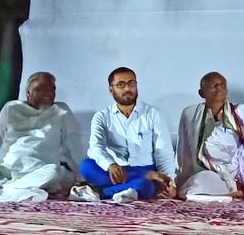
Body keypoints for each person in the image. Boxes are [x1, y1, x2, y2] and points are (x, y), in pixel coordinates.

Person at [0, 72, 83, 202]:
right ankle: (11, 187)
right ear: (28, 93)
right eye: (40, 89)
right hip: (4, 170)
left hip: (39, 170)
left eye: (51, 89)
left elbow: (72, 145)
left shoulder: (61, 111)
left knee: (54, 172)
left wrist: (82, 177)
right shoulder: (11, 108)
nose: (47, 93)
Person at [71, 67, 178, 202]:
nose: (127, 88)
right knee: (86, 166)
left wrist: (169, 183)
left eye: (131, 83)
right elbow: (96, 148)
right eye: (121, 85)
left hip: (146, 168)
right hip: (114, 171)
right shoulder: (102, 117)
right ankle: (133, 186)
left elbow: (164, 152)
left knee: (146, 186)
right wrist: (110, 165)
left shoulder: (152, 114)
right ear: (111, 89)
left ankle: (99, 192)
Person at [176, 71, 244, 202]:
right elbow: (183, 151)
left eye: (223, 84)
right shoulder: (190, 114)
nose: (220, 88)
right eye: (214, 85)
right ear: (202, 93)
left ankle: (240, 187)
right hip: (210, 173)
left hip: (237, 172)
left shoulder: (242, 111)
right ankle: (231, 191)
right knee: (195, 185)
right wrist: (179, 180)